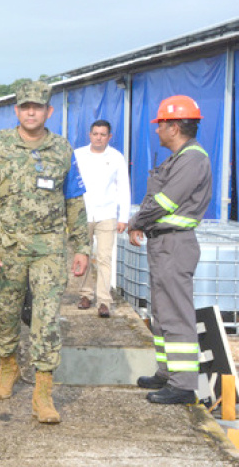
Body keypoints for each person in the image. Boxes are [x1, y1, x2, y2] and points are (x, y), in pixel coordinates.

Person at [0, 81, 89, 424]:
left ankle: (43, 393)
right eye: (25, 107)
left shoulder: (62, 149)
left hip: (49, 249)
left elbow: (74, 200)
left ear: (48, 111)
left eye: (37, 107)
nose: (31, 112)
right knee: (5, 312)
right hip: (7, 248)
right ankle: (8, 364)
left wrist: (82, 246)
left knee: (46, 317)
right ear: (16, 111)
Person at [129, 95, 211, 405]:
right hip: (163, 242)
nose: (157, 130)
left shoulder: (192, 159)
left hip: (175, 244)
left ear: (174, 127)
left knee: (176, 313)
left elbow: (165, 202)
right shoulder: (180, 158)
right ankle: (167, 373)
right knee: (162, 313)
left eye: (160, 125)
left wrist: (136, 221)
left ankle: (183, 385)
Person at [73, 120, 131, 318]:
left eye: (103, 134)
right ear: (89, 135)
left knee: (104, 258)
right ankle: (85, 295)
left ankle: (104, 301)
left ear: (109, 137)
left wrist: (123, 217)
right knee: (83, 254)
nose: (98, 138)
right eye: (95, 134)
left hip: (107, 214)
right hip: (83, 213)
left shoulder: (116, 158)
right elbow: (70, 184)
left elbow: (123, 187)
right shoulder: (78, 155)